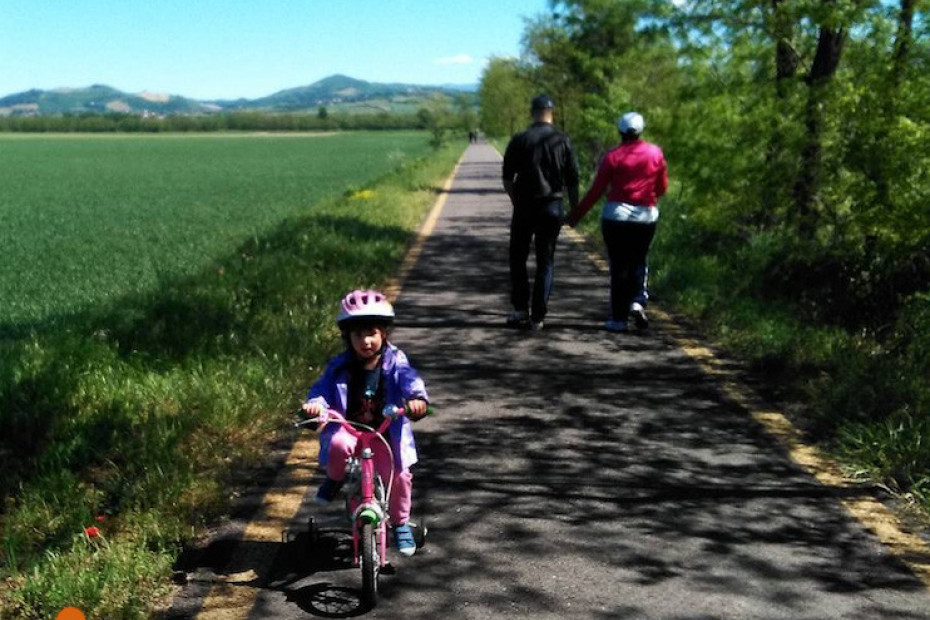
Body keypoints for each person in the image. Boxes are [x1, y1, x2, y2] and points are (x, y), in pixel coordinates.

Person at [301, 289, 430, 556]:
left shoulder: (395, 361)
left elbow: (410, 379)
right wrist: (315, 406)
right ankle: (335, 479)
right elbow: (322, 390)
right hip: (350, 429)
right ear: (347, 337)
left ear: (384, 333)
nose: (365, 341)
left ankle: (400, 522)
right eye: (357, 334)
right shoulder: (340, 366)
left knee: (400, 475)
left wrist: (417, 399)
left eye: (371, 333)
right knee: (336, 444)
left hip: (384, 433)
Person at [566, 112, 668, 333]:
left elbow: (597, 190)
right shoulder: (655, 154)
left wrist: (576, 216)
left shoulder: (612, 156)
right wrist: (646, 197)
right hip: (645, 216)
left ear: (620, 131)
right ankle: (638, 301)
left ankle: (618, 320)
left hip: (616, 217)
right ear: (641, 131)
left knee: (619, 265)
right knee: (639, 259)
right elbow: (661, 188)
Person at [502, 94, 580, 331]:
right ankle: (538, 316)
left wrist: (515, 199)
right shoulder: (563, 141)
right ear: (552, 112)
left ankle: (519, 310)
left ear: (531, 112)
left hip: (525, 206)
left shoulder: (520, 139)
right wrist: (574, 209)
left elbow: (507, 178)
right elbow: (573, 179)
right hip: (552, 207)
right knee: (546, 260)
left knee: (518, 257)